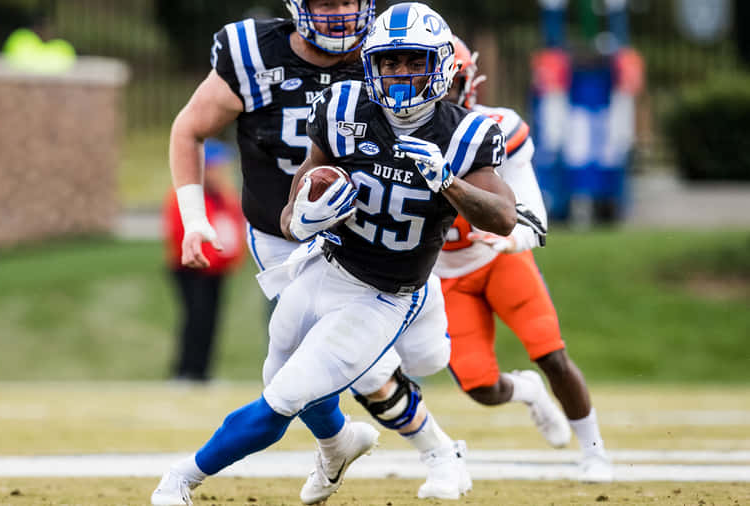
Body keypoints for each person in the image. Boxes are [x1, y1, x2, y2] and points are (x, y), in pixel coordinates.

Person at [151, 3, 517, 504]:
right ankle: (338, 444)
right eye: (392, 64)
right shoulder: (338, 102)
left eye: (418, 63)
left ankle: (180, 479)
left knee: (309, 387)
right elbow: (290, 202)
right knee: (296, 377)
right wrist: (306, 213)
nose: (403, 75)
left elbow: (501, 213)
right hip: (322, 256)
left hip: (388, 284)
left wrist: (448, 182)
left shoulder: (462, 130)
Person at [433, 36, 613, 483]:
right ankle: (527, 393)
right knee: (480, 387)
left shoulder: (492, 128)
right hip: (443, 276)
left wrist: (520, 237)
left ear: (467, 82)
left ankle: (594, 451)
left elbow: (528, 205)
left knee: (551, 353)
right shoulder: (378, 136)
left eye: (448, 83)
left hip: (498, 259)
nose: (440, 97)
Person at [162, 139, 245, 383]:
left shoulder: (225, 197)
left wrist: (229, 260)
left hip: (217, 271)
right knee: (195, 319)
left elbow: (233, 229)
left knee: (211, 321)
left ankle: (202, 372)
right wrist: (205, 258)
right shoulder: (187, 196)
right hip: (192, 268)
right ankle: (185, 371)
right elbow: (180, 233)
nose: (221, 172)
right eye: (216, 167)